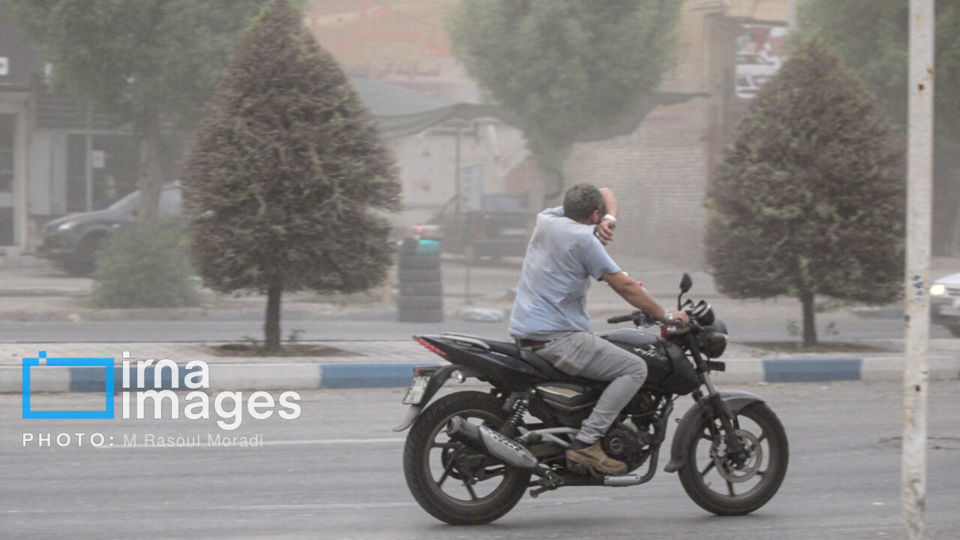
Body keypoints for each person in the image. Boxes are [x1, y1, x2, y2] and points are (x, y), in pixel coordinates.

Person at [509, 183, 689, 476]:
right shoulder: (583, 240)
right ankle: (586, 443)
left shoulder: (548, 219)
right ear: (593, 214)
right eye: (599, 214)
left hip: (528, 331)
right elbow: (625, 286)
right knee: (634, 369)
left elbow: (605, 191)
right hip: (558, 338)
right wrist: (666, 316)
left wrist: (608, 219)